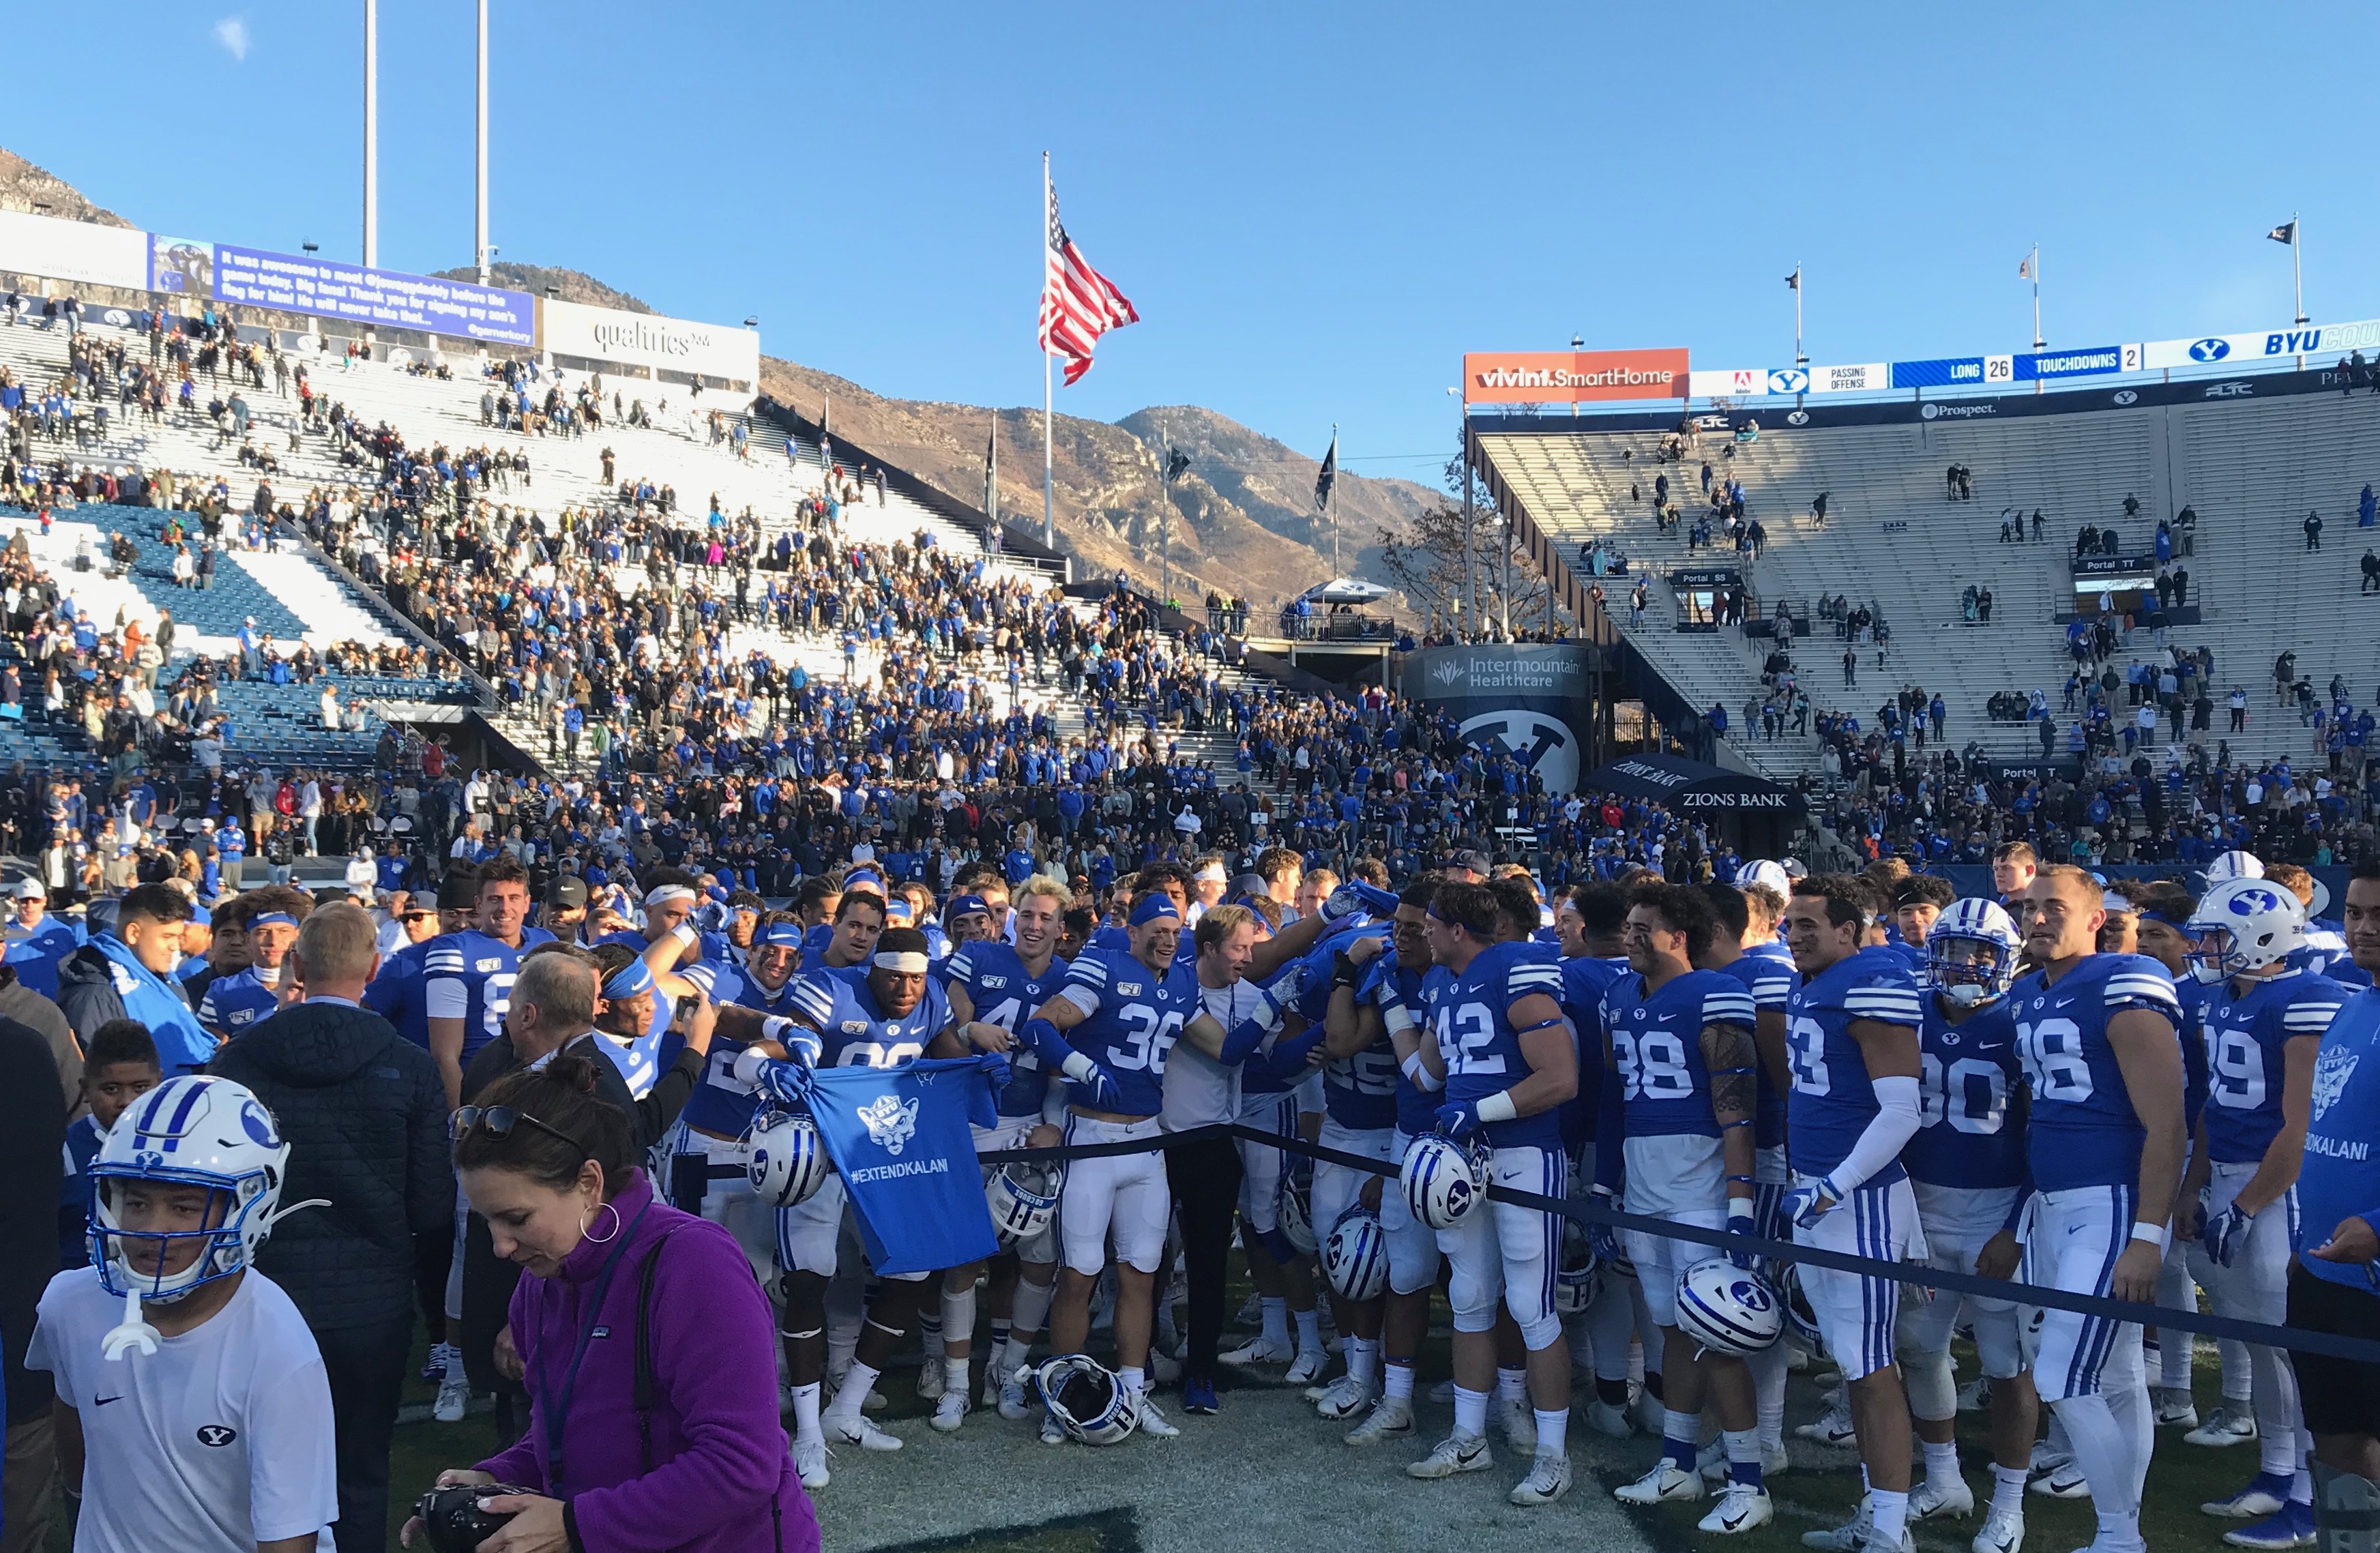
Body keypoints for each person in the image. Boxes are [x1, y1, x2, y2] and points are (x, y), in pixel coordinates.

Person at [416, 1055, 818, 1553]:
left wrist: (577, 1524)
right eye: (486, 1221)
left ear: (589, 1183)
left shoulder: (693, 1262)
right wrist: (492, 1479)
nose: (501, 1246)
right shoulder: (542, 1279)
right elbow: (568, 1438)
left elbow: (742, 1464)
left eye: (516, 1217)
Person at [207, 903, 451, 1553]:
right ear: (372, 968)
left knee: (248, 1472)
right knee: (359, 1475)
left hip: (260, 1297)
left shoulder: (238, 1062)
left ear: (296, 964)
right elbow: (432, 1209)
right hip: (368, 1304)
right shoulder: (411, 1066)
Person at [29, 1076, 338, 1553]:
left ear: (246, 1208)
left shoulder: (278, 1349)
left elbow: (287, 1538)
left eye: (183, 1206)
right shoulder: (70, 1303)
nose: (153, 1228)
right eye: (136, 1202)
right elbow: (73, 1423)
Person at [2006, 864, 2187, 1553]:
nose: (2040, 919)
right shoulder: (2029, 993)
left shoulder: (2124, 983)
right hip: (2054, 1204)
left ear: (2094, 921)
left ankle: (2119, 1535)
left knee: (2061, 1374)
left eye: (2055, 907)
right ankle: (2122, 1527)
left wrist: (2147, 1234)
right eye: (2030, 908)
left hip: (2110, 1202)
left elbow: (2166, 1124)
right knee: (2112, 1376)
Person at [2173, 876, 2347, 1548]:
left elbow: (2298, 1126)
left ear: (2260, 937)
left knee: (2290, 1346)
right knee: (2256, 1340)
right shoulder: (2225, 1000)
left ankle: (2310, 1495)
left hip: (2280, 1189)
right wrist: (2196, 1186)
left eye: (2217, 937)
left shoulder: (2307, 1000)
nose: (2205, 949)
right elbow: (2217, 1109)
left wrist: (2246, 1206)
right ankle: (2276, 1470)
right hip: (2229, 1179)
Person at [1596, 884, 1768, 1534]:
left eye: (1645, 928)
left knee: (1716, 1334)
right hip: (1644, 1183)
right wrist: (1604, 1186)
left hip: (1700, 1186)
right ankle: (1678, 1460)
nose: (1631, 936)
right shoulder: (1618, 995)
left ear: (1679, 936)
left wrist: (1740, 1201)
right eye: (1630, 926)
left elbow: (1737, 1109)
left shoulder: (1715, 992)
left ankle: (1749, 1478)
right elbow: (1614, 1100)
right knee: (1670, 1328)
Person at [1408, 879, 1578, 1507]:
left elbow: (1560, 1077)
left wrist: (1478, 1109)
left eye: (1431, 922)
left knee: (1532, 1306)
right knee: (1469, 1296)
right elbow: (1427, 1072)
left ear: (1458, 929)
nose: (1423, 930)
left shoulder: (1514, 964)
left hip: (1522, 1153)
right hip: (1462, 1155)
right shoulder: (1438, 984)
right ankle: (1468, 1435)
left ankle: (1554, 1453)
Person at [1779, 874, 1926, 1553]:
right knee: (1852, 1362)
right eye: (1791, 922)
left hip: (1855, 1199)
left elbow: (1902, 1111)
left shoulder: (1872, 981)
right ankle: (1876, 1510)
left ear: (1849, 929)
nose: (1796, 934)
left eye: (1811, 924)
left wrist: (1834, 1186)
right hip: (1821, 1190)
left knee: (1871, 1368)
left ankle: (1892, 1531)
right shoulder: (1811, 983)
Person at [1900, 900, 2038, 1553]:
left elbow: (2047, 1136)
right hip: (1922, 1209)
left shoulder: (2023, 1021)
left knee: (2006, 1367)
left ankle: (2007, 1505)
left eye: (1981, 952)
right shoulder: (1907, 1013)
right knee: (1918, 1349)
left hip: (1994, 1211)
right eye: (1953, 948)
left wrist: (2015, 1227)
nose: (1965, 964)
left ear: (2006, 959)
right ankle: (1944, 1478)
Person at [2289, 859, 2380, 1546]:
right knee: (2335, 1442)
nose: (2363, 929)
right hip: (2319, 1271)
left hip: (2373, 1276)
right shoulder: (2353, 1005)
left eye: (2379, 916)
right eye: (2354, 913)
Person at [55, 883, 211, 1074]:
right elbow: (101, 1081)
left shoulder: (164, 979)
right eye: (167, 936)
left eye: (178, 937)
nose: (175, 946)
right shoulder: (95, 992)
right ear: (133, 933)